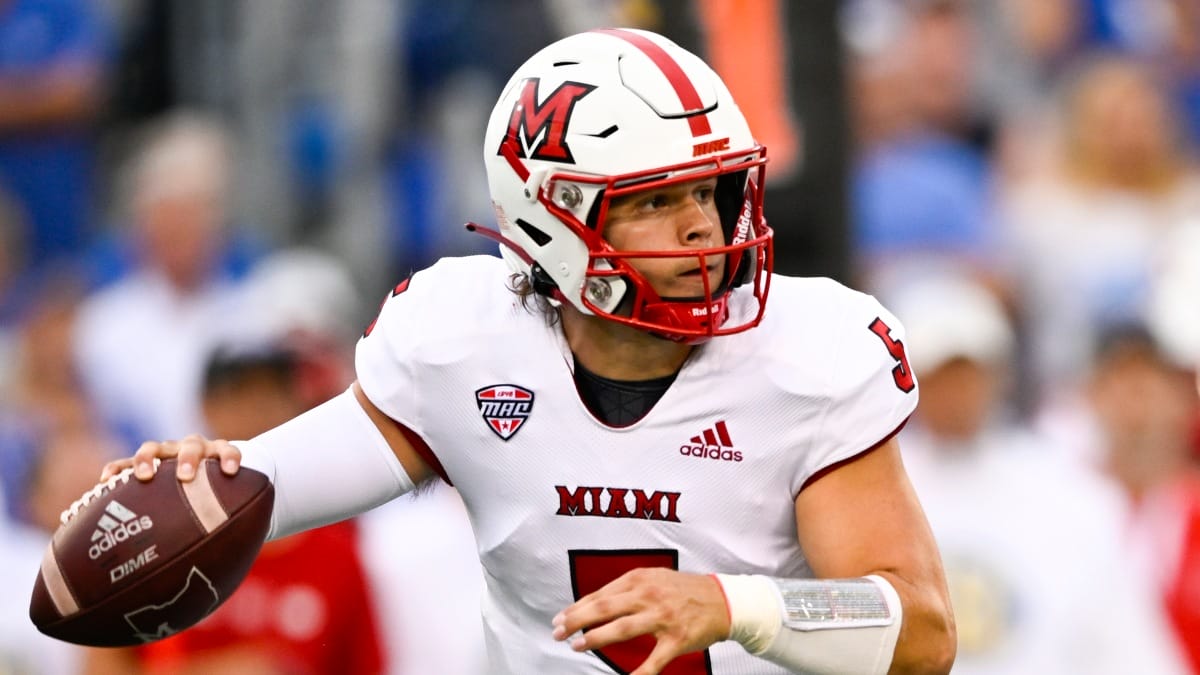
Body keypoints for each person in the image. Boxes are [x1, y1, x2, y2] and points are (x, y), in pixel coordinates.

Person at [100, 28, 956, 674]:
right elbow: (271, 486)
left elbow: (922, 629)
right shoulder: (465, 342)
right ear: (555, 220)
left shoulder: (803, 356)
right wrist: (208, 482)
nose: (703, 224)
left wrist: (734, 605)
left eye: (710, 188)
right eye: (656, 201)